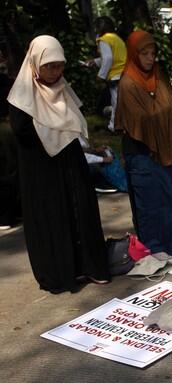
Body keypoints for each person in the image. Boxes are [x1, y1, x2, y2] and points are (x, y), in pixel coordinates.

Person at [7, 35, 109, 293]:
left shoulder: (64, 90)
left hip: (71, 164)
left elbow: (75, 125)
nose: (55, 72)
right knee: (53, 218)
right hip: (42, 171)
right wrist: (51, 131)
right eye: (49, 66)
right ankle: (61, 274)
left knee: (80, 212)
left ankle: (90, 266)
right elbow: (23, 132)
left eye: (59, 66)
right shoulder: (21, 97)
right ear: (35, 64)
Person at [115, 30, 172, 257]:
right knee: (151, 204)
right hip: (144, 153)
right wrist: (162, 118)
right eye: (145, 53)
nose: (151, 58)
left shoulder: (160, 76)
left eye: (153, 53)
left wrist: (165, 120)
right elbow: (139, 121)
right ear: (134, 54)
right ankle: (155, 247)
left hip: (171, 148)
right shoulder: (128, 84)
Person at [89, 17, 126, 132]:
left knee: (116, 102)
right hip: (124, 72)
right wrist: (94, 61)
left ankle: (114, 127)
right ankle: (119, 125)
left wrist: (101, 75)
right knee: (120, 101)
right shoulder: (116, 39)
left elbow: (108, 58)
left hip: (116, 74)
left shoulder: (104, 40)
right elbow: (111, 57)